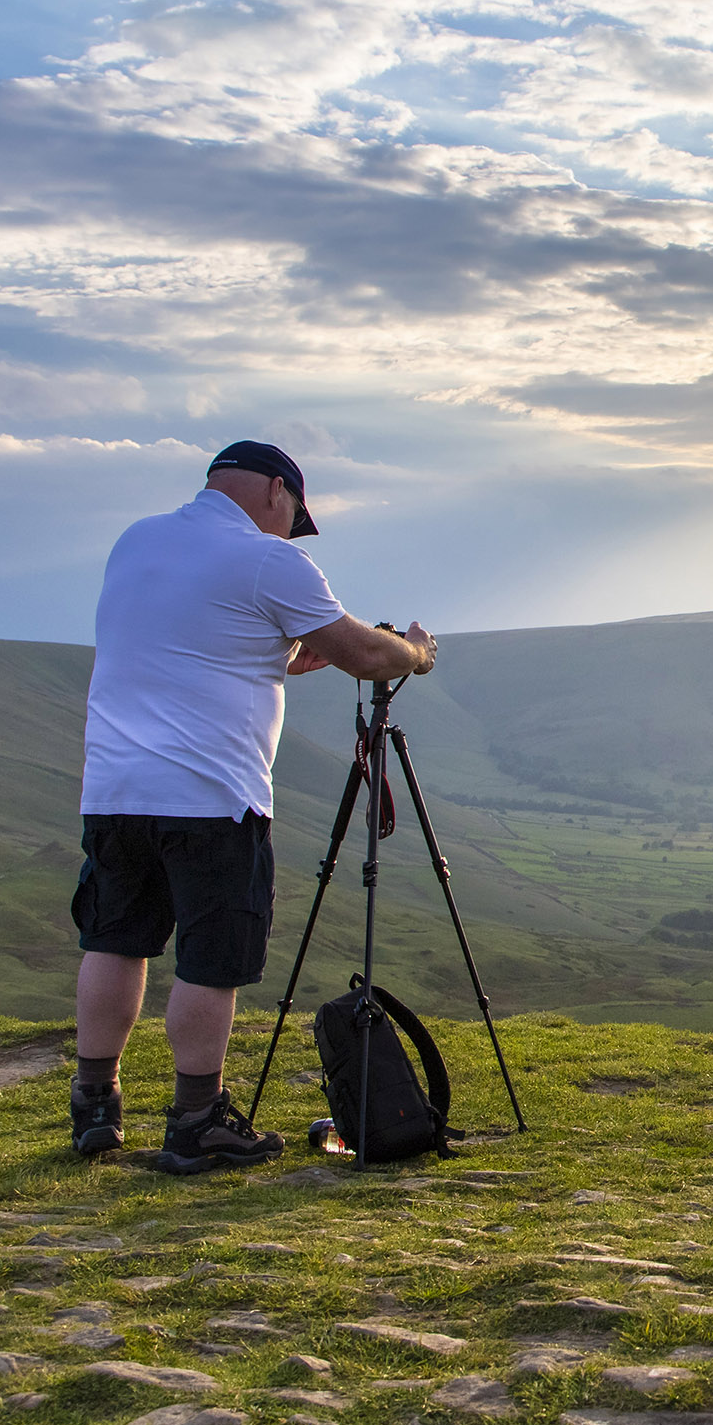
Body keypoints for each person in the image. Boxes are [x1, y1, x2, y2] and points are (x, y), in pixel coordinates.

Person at [68, 440, 439, 1174]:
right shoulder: (272, 561)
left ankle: (95, 1103)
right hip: (211, 794)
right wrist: (416, 654)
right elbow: (366, 655)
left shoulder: (136, 541)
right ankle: (198, 1118)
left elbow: (203, 641)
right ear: (278, 491)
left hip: (115, 788)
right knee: (211, 957)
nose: (289, 531)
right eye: (293, 516)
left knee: (115, 940)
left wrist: (286, 650)